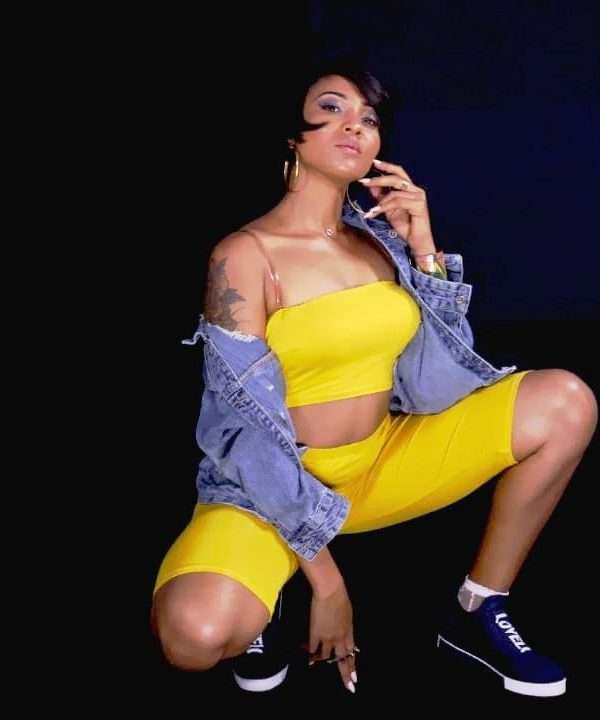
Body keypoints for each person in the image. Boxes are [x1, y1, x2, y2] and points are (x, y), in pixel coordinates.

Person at [150, 57, 597, 697]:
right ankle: (269, 596)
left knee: (566, 401)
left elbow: (440, 387)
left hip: (382, 463)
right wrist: (329, 586)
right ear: (292, 134)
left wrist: (423, 250)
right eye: (332, 108)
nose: (355, 126)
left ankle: (477, 610)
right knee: (192, 637)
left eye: (369, 118)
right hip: (271, 490)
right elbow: (243, 436)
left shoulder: (377, 243)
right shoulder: (244, 256)